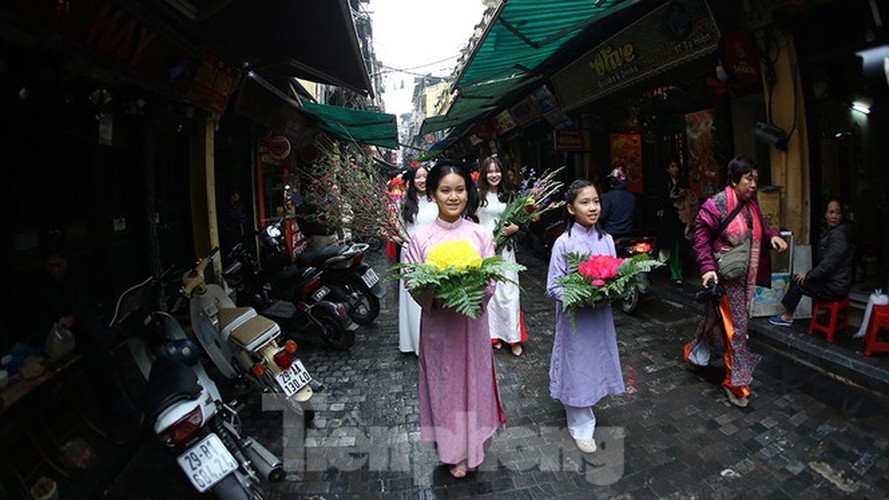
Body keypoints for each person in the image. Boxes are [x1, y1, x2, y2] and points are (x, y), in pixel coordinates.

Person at [403, 160, 505, 478]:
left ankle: (476, 443)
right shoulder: (420, 239)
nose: (453, 197)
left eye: (459, 189)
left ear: (468, 192)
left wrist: (472, 292)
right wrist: (440, 293)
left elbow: (492, 277)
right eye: (445, 190)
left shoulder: (479, 235)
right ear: (432, 194)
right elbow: (410, 279)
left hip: (472, 323)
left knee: (474, 383)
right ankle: (452, 452)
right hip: (439, 328)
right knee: (445, 385)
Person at [684, 156, 788, 408]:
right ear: (733, 180)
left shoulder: (752, 203)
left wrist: (773, 236)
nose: (753, 184)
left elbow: (763, 226)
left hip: (744, 277)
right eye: (748, 179)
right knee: (737, 330)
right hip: (722, 280)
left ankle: (694, 355)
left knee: (712, 319)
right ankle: (736, 384)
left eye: (756, 179)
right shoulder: (716, 204)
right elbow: (700, 238)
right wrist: (707, 269)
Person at [545, 180, 625, 454]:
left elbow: (617, 274)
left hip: (600, 317)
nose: (593, 208)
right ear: (570, 208)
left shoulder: (607, 240)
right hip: (575, 319)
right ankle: (580, 425)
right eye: (585, 202)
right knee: (577, 363)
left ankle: (586, 406)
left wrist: (613, 290)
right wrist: (579, 295)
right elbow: (553, 286)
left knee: (596, 361)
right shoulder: (563, 243)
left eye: (596, 202)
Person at [38, 244, 142, 442]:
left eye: (58, 265)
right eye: (51, 266)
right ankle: (118, 427)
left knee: (109, 381)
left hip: (91, 337)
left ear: (66, 263)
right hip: (71, 344)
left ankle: (132, 419)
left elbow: (83, 303)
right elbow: (46, 314)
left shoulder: (76, 277)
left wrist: (73, 318)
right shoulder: (47, 286)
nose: (55, 270)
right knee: (98, 388)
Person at [770, 198, 853, 326]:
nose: (834, 216)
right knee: (800, 278)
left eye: (837, 212)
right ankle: (787, 313)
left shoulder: (838, 236)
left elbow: (827, 266)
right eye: (831, 212)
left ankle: (787, 317)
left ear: (841, 215)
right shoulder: (833, 232)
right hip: (835, 283)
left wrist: (808, 276)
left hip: (835, 287)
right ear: (826, 215)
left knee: (799, 282)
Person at [475, 155, 525, 356]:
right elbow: (469, 220)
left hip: (506, 251)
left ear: (503, 173)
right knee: (490, 293)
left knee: (509, 293)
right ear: (484, 174)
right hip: (484, 249)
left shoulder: (511, 194)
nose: (494, 175)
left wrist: (516, 228)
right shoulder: (477, 195)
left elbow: (522, 221)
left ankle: (513, 337)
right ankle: (493, 335)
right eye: (490, 171)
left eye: (497, 171)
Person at [397, 165, 437, 355]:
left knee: (434, 299)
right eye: (418, 177)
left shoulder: (438, 199)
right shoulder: (405, 204)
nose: (422, 180)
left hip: (435, 254)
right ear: (412, 181)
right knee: (414, 300)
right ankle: (415, 343)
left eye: (425, 177)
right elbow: (398, 231)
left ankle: (435, 343)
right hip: (411, 254)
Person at [657, 159, 690, 284]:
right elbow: (660, 200)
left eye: (676, 166)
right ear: (667, 169)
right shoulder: (663, 183)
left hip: (681, 216)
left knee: (678, 245)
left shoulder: (682, 182)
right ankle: (675, 273)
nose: (675, 169)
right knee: (672, 246)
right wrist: (670, 198)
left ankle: (677, 272)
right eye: (672, 166)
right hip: (669, 217)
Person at [600, 166, 636, 237]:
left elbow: (602, 216)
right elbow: (635, 216)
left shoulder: (608, 196)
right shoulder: (632, 197)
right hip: (627, 233)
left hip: (610, 233)